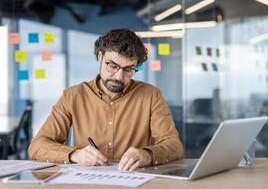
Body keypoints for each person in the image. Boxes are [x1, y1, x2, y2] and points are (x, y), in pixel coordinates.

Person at [28, 28, 183, 172]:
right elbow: (37, 146)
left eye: (128, 69)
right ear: (100, 57)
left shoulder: (151, 95)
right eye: (112, 65)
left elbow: (174, 145)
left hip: (134, 180)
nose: (119, 77)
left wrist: (148, 154)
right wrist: (75, 154)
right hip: (88, 182)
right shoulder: (73, 96)